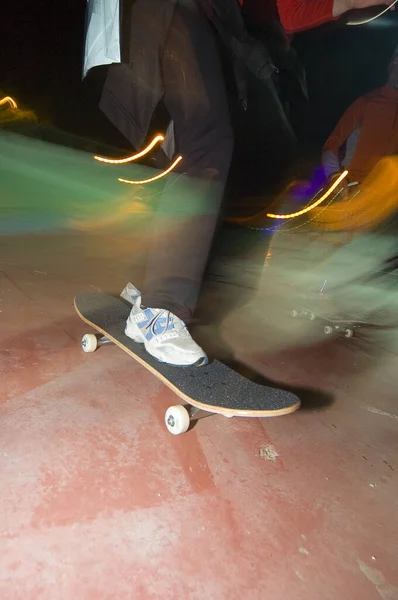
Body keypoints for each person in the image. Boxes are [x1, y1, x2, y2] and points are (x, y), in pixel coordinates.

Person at [83, 0, 394, 368]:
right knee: (207, 138)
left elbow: (290, 12)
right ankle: (159, 306)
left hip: (211, 19)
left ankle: (150, 287)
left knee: (213, 147)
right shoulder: (371, 102)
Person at [322, 46, 398, 185]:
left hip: (385, 192)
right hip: (352, 187)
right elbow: (331, 143)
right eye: (396, 60)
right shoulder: (366, 103)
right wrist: (334, 177)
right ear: (391, 63)